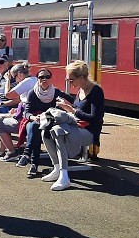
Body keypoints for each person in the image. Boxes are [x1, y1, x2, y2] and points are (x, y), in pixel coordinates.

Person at [41, 60, 105, 191]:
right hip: (76, 126)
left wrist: (72, 110)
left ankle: (64, 176)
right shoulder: (80, 89)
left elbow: (95, 117)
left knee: (59, 131)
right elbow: (78, 108)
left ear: (82, 78)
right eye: (68, 79)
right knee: (46, 131)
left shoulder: (96, 91)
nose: (69, 83)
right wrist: (68, 106)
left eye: (71, 80)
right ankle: (58, 168)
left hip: (89, 132)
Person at [15, 68, 72, 178]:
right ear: (38, 79)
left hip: (50, 120)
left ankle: (29, 158)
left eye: (47, 77)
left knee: (36, 128)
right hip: (35, 120)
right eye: (41, 77)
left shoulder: (55, 92)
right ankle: (32, 161)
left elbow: (71, 101)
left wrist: (67, 105)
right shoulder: (32, 93)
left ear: (51, 79)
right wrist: (33, 117)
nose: (44, 79)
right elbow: (26, 112)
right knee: (35, 127)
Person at [0, 62, 36, 159]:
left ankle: (12, 152)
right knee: (4, 120)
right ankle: (1, 151)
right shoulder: (34, 80)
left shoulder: (26, 82)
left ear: (20, 74)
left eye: (15, 77)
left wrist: (8, 80)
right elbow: (22, 100)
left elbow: (8, 95)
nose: (16, 81)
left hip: (27, 120)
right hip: (32, 116)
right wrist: (16, 109)